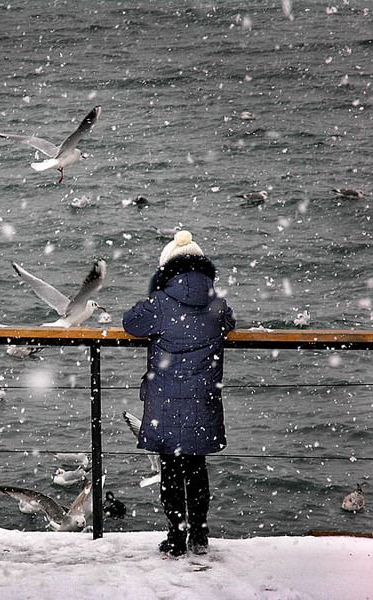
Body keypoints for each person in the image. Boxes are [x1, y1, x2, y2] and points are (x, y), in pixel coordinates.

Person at [122, 230, 235, 557]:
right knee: (196, 467)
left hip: (167, 400)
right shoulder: (216, 302)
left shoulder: (160, 303)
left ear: (166, 269)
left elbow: (131, 323)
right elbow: (229, 321)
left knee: (170, 469)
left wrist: (153, 293)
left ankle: (175, 537)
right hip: (203, 399)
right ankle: (199, 534)